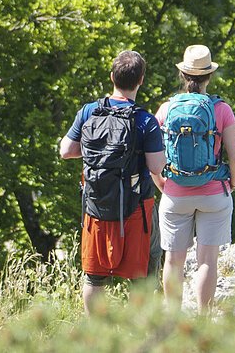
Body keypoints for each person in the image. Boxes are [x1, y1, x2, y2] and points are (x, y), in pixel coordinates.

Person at [59, 50, 166, 313]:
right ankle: (137, 333)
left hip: (96, 206)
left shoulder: (89, 112)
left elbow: (66, 151)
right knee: (142, 276)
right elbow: (156, 166)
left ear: (111, 77)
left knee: (94, 277)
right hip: (136, 207)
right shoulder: (145, 121)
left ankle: (95, 336)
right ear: (141, 80)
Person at [155, 44, 235, 310]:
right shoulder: (222, 110)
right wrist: (232, 184)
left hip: (174, 193)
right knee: (207, 260)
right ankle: (203, 323)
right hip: (213, 192)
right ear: (209, 76)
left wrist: (162, 184)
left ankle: (172, 323)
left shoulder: (166, 109)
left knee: (173, 261)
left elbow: (153, 159)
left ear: (183, 75)